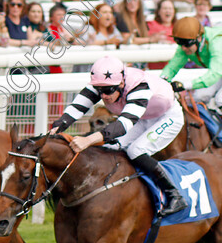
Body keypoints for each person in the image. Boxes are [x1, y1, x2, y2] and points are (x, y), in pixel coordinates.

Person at [49, 55, 187, 217]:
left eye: (108, 91)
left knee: (136, 150)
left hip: (167, 117)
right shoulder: (104, 82)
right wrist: (54, 130)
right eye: (99, 91)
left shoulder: (139, 87)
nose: (103, 96)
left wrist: (88, 140)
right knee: (110, 146)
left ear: (122, 83)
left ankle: (174, 195)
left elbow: (122, 126)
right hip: (143, 117)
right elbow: (76, 108)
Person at [161, 17, 222, 109]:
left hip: (218, 70)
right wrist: (162, 81)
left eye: (186, 43)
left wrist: (186, 85)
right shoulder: (186, 46)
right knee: (199, 96)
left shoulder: (216, 42)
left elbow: (215, 74)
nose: (183, 48)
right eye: (179, 43)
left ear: (199, 38)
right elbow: (172, 67)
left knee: (220, 99)